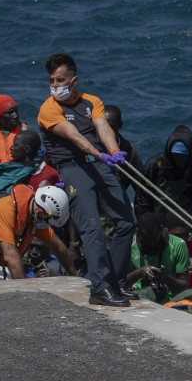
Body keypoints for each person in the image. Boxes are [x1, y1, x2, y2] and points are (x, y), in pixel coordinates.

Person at [37, 53, 136, 307]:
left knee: (126, 221)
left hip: (100, 165)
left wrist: (114, 151)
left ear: (74, 80)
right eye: (52, 80)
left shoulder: (92, 102)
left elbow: (103, 127)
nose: (55, 85)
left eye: (60, 79)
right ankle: (100, 289)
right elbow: (74, 136)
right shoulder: (49, 109)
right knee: (91, 228)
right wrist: (99, 153)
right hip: (73, 168)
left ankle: (117, 282)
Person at [0, 184, 77, 282]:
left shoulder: (34, 215)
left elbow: (57, 246)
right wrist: (25, 290)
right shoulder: (5, 209)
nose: (46, 225)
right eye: (46, 221)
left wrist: (74, 277)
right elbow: (10, 256)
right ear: (39, 213)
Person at [134, 124, 192, 219]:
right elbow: (142, 202)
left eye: (183, 156)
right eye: (175, 155)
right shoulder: (153, 166)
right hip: (156, 220)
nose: (179, 160)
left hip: (184, 219)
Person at [126, 213, 189, 304]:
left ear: (162, 230)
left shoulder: (178, 244)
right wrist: (139, 273)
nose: (152, 244)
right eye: (146, 240)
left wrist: (165, 278)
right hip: (137, 298)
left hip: (168, 301)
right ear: (138, 233)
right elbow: (119, 283)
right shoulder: (129, 244)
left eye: (155, 239)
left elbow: (184, 286)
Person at [104, 105, 143, 193]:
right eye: (102, 126)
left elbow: (141, 187)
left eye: (111, 126)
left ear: (120, 125)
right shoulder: (89, 146)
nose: (106, 130)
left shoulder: (129, 153)